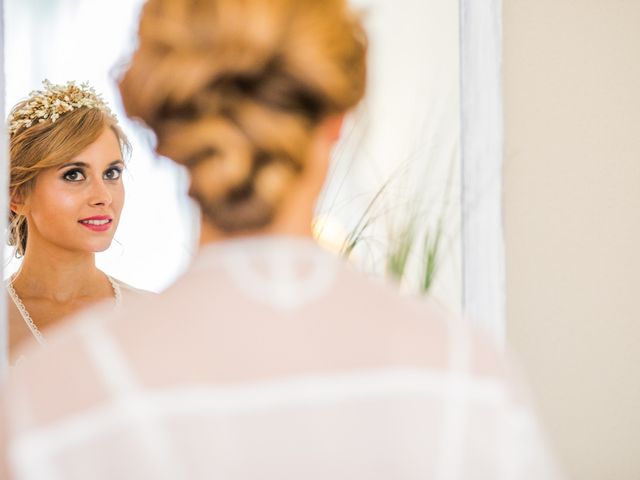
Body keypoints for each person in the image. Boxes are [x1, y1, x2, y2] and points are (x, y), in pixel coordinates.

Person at [1, 0, 563, 478]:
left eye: (109, 171)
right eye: (74, 174)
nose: (100, 192)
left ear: (162, 135)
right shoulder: (462, 373)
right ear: (337, 119)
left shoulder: (53, 394)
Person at [5, 80, 139, 364]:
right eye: (74, 175)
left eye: (112, 173)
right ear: (17, 195)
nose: (103, 197)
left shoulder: (151, 314)